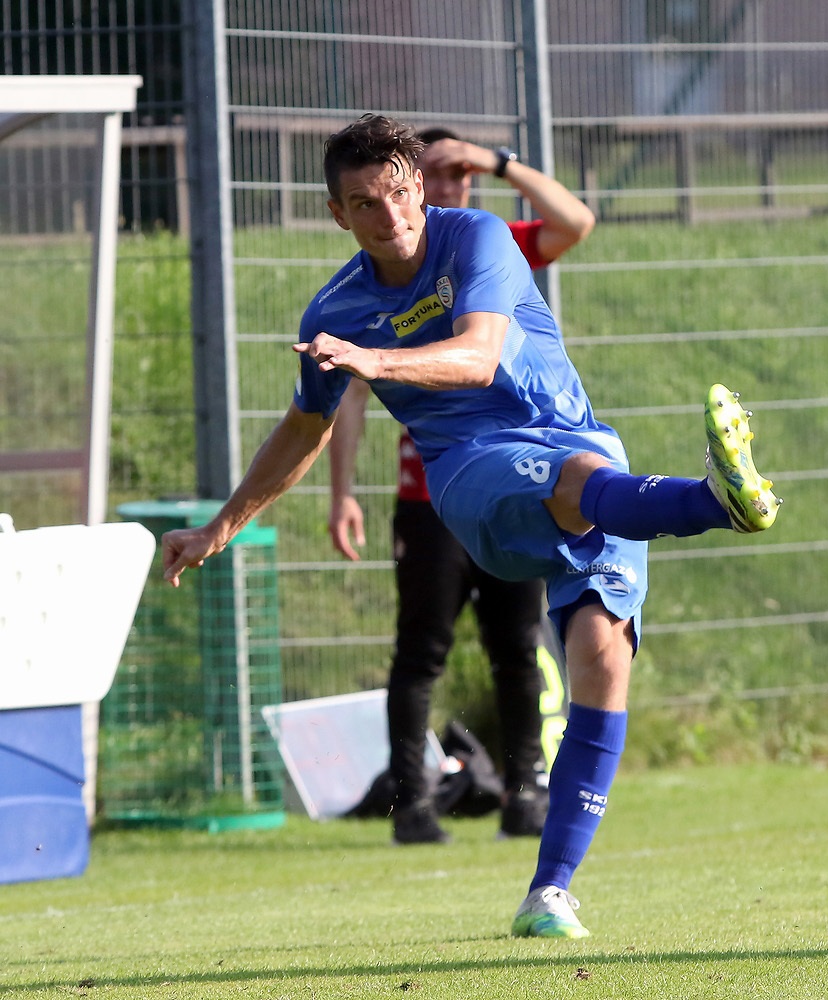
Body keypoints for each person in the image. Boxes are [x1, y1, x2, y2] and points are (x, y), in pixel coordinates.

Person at [159, 114, 781, 939]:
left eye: (400, 193)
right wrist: (220, 527)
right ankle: (713, 502)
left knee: (600, 658)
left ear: (419, 184)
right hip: (470, 474)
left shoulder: (478, 237)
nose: (392, 217)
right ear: (338, 215)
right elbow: (304, 429)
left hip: (581, 443)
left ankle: (549, 892)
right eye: (365, 204)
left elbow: (481, 354)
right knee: (565, 497)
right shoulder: (337, 307)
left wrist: (374, 363)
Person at [327, 126, 596, 845]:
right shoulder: (375, 278)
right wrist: (341, 490)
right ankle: (410, 801)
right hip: (432, 497)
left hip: (516, 478)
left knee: (517, 642)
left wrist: (500, 161)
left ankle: (527, 788)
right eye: (432, 173)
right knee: (421, 648)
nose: (437, 191)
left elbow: (576, 223)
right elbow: (345, 394)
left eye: (455, 174)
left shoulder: (488, 243)